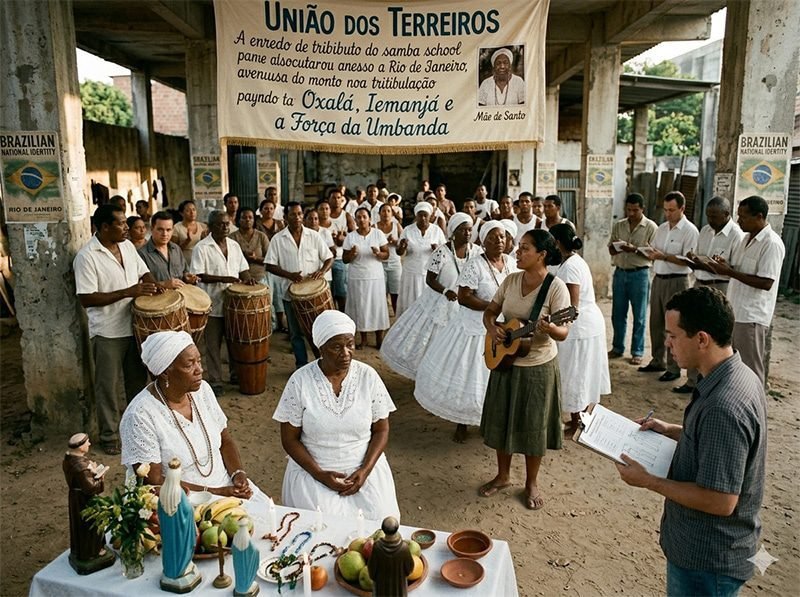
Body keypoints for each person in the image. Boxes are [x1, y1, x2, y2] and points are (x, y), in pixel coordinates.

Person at [616, 287, 767, 596]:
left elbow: (720, 500)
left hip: (707, 560)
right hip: (705, 551)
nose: (666, 344)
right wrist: (670, 429)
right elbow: (714, 444)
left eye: (673, 335)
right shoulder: (736, 374)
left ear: (701, 339)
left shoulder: (724, 405)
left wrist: (648, 481)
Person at [272, 310, 400, 520]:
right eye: (336, 347)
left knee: (382, 521)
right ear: (320, 348)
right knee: (321, 525)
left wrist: (366, 470)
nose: (346, 353)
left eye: (350, 344)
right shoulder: (300, 381)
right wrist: (320, 475)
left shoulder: (368, 376)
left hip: (364, 468)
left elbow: (381, 429)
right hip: (313, 471)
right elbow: (289, 439)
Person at [480, 229, 570, 510]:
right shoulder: (510, 280)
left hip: (538, 365)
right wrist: (493, 329)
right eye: (517, 248)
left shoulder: (556, 288)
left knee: (533, 424)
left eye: (524, 249)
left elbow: (564, 331)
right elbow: (490, 312)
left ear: (542, 255)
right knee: (502, 417)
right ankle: (503, 475)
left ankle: (531, 482)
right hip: (505, 361)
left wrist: (550, 327)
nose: (517, 252)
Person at [121, 331, 260, 501]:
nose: (199, 370)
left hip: (226, 484)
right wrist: (217, 493)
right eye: (189, 365)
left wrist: (238, 475)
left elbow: (225, 439)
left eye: (199, 361)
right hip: (178, 499)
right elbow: (154, 481)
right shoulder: (140, 415)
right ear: (165, 372)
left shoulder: (203, 391)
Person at [415, 222, 515, 443]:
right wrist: (492, 307)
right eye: (493, 237)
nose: (499, 240)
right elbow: (464, 297)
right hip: (475, 328)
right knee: (470, 375)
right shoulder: (475, 265)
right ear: (484, 240)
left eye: (502, 237)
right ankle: (462, 422)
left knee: (497, 376)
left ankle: (492, 421)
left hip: (503, 328)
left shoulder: (512, 264)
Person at [74, 204, 158, 454]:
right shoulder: (87, 256)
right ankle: (109, 436)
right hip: (107, 332)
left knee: (136, 382)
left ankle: (135, 428)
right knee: (107, 388)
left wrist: (154, 289)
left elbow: (144, 274)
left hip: (134, 326)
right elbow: (86, 298)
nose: (126, 227)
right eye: (121, 224)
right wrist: (127, 292)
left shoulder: (128, 246)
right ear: (104, 227)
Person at [381, 213, 478, 379]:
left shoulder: (476, 251)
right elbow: (430, 279)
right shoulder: (442, 252)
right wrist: (445, 291)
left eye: (470, 230)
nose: (468, 234)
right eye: (463, 230)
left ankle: (448, 376)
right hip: (441, 302)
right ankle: (429, 374)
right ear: (454, 232)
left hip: (464, 305)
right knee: (433, 339)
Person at [706, 195, 785, 385]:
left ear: (759, 216)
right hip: (736, 311)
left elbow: (766, 282)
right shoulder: (746, 238)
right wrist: (726, 266)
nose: (739, 221)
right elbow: (740, 270)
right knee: (733, 364)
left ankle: (755, 408)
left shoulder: (771, 243)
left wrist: (730, 272)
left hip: (752, 316)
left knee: (751, 369)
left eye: (743, 217)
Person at [674, 196, 745, 393]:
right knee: (693, 330)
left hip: (720, 286)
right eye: (708, 216)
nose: (710, 220)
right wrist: (693, 258)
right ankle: (692, 381)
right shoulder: (705, 231)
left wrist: (719, 265)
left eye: (714, 216)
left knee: (713, 336)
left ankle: (711, 382)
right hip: (700, 282)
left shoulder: (736, 235)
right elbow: (698, 256)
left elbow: (734, 269)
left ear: (726, 214)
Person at [549, 224, 610, 436]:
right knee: (577, 372)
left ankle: (579, 423)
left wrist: (550, 322)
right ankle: (577, 420)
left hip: (581, 327)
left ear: (556, 243)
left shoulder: (570, 267)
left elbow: (571, 308)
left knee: (577, 373)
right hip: (585, 324)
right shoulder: (571, 261)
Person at [190, 211, 253, 396]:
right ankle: (216, 380)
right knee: (213, 346)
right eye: (220, 224)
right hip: (212, 304)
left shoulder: (234, 245)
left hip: (234, 306)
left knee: (234, 342)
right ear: (210, 226)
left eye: (227, 224)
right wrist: (225, 278)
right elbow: (199, 275)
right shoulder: (201, 248)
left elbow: (244, 270)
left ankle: (235, 374)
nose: (225, 227)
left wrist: (248, 280)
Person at [639, 191, 699, 383]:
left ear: (682, 208)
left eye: (671, 210)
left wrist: (663, 256)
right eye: (665, 210)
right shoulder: (662, 228)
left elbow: (689, 261)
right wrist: (650, 253)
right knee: (656, 321)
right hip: (658, 278)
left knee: (674, 325)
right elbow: (655, 250)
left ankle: (674, 368)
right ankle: (658, 360)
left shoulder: (690, 231)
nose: (668, 214)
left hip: (677, 280)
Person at [264, 202, 333, 369]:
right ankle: (301, 365)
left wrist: (322, 271)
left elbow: (329, 258)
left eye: (300, 214)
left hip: (315, 294)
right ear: (285, 217)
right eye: (293, 214)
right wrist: (289, 275)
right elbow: (269, 265)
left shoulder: (314, 236)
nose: (297, 217)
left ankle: (322, 363)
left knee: (319, 331)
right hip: (290, 293)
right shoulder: (278, 239)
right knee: (296, 333)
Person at [608, 193, 659, 365]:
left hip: (640, 274)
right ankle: (617, 347)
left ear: (642, 209)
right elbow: (611, 249)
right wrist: (616, 248)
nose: (631, 213)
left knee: (640, 315)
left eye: (635, 210)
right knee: (617, 313)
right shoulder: (619, 225)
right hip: (620, 272)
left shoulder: (651, 227)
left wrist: (634, 249)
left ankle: (637, 351)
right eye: (628, 210)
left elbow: (654, 254)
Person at [63, 433, 114, 574]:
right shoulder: (80, 467)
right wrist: (100, 477)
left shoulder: (70, 460)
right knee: (89, 525)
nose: (90, 444)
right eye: (87, 442)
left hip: (76, 498)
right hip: (84, 500)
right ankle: (91, 552)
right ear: (80, 447)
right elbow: (90, 488)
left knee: (81, 524)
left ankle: (84, 550)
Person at [342, 207, 390, 348]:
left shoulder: (378, 234)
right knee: (360, 308)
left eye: (364, 216)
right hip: (357, 277)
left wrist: (378, 254)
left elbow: (387, 254)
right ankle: (363, 339)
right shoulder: (351, 237)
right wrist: (351, 253)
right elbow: (345, 259)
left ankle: (379, 338)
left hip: (375, 277)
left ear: (369, 219)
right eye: (358, 217)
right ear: (355, 220)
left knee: (377, 306)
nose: (361, 220)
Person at [395, 202, 447, 317]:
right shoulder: (408, 230)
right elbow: (399, 252)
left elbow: (445, 254)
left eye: (425, 215)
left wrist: (437, 250)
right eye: (420, 215)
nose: (423, 218)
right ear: (416, 216)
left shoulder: (437, 231)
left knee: (427, 307)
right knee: (410, 303)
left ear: (430, 216)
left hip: (430, 275)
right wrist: (402, 247)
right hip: (411, 273)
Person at [138, 211, 197, 289]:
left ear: (173, 230)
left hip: (181, 297)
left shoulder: (176, 249)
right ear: (152, 229)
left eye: (168, 230)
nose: (165, 234)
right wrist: (163, 284)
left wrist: (187, 278)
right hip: (157, 300)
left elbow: (184, 272)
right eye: (160, 229)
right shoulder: (142, 254)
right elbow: (139, 286)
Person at [257, 197, 288, 332]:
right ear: (261, 210)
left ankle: (281, 323)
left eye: (271, 208)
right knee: (268, 296)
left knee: (279, 296)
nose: (269, 211)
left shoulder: (280, 224)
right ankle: (270, 324)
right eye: (266, 208)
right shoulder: (257, 225)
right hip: (263, 265)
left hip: (279, 264)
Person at [324, 188, 355, 311]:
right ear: (328, 200)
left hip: (340, 258)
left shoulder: (346, 215)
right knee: (328, 292)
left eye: (339, 198)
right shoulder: (323, 214)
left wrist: (344, 238)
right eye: (334, 197)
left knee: (341, 291)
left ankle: (343, 315)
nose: (337, 200)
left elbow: (354, 235)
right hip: (324, 259)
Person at [229, 207, 271, 286]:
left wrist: (256, 258)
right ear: (238, 220)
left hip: (261, 279)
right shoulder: (232, 237)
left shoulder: (261, 236)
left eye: (250, 217)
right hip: (239, 280)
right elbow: (229, 260)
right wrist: (243, 256)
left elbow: (270, 259)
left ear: (254, 220)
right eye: (244, 217)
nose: (247, 220)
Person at [376, 203, 403, 315]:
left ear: (392, 214)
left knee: (395, 292)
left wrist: (395, 242)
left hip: (395, 263)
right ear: (379, 213)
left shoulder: (396, 226)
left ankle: (396, 317)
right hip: (379, 263)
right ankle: (382, 317)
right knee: (381, 293)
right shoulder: (374, 227)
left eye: (388, 211)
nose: (386, 213)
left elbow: (404, 243)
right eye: (383, 211)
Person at [171, 200, 208, 265]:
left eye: (194, 209)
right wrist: (187, 241)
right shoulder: (176, 228)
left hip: (201, 261)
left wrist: (203, 240)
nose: (192, 212)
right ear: (181, 213)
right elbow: (174, 251)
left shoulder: (203, 227)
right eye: (188, 210)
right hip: (185, 263)